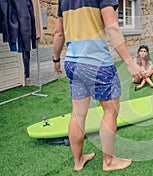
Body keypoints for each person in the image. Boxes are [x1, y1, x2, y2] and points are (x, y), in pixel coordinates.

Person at [53, 1, 142, 172]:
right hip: (97, 63)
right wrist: (129, 62)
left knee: (78, 114)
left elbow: (58, 33)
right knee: (110, 111)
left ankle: (78, 161)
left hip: (73, 63)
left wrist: (56, 59)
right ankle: (109, 161)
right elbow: (112, 28)